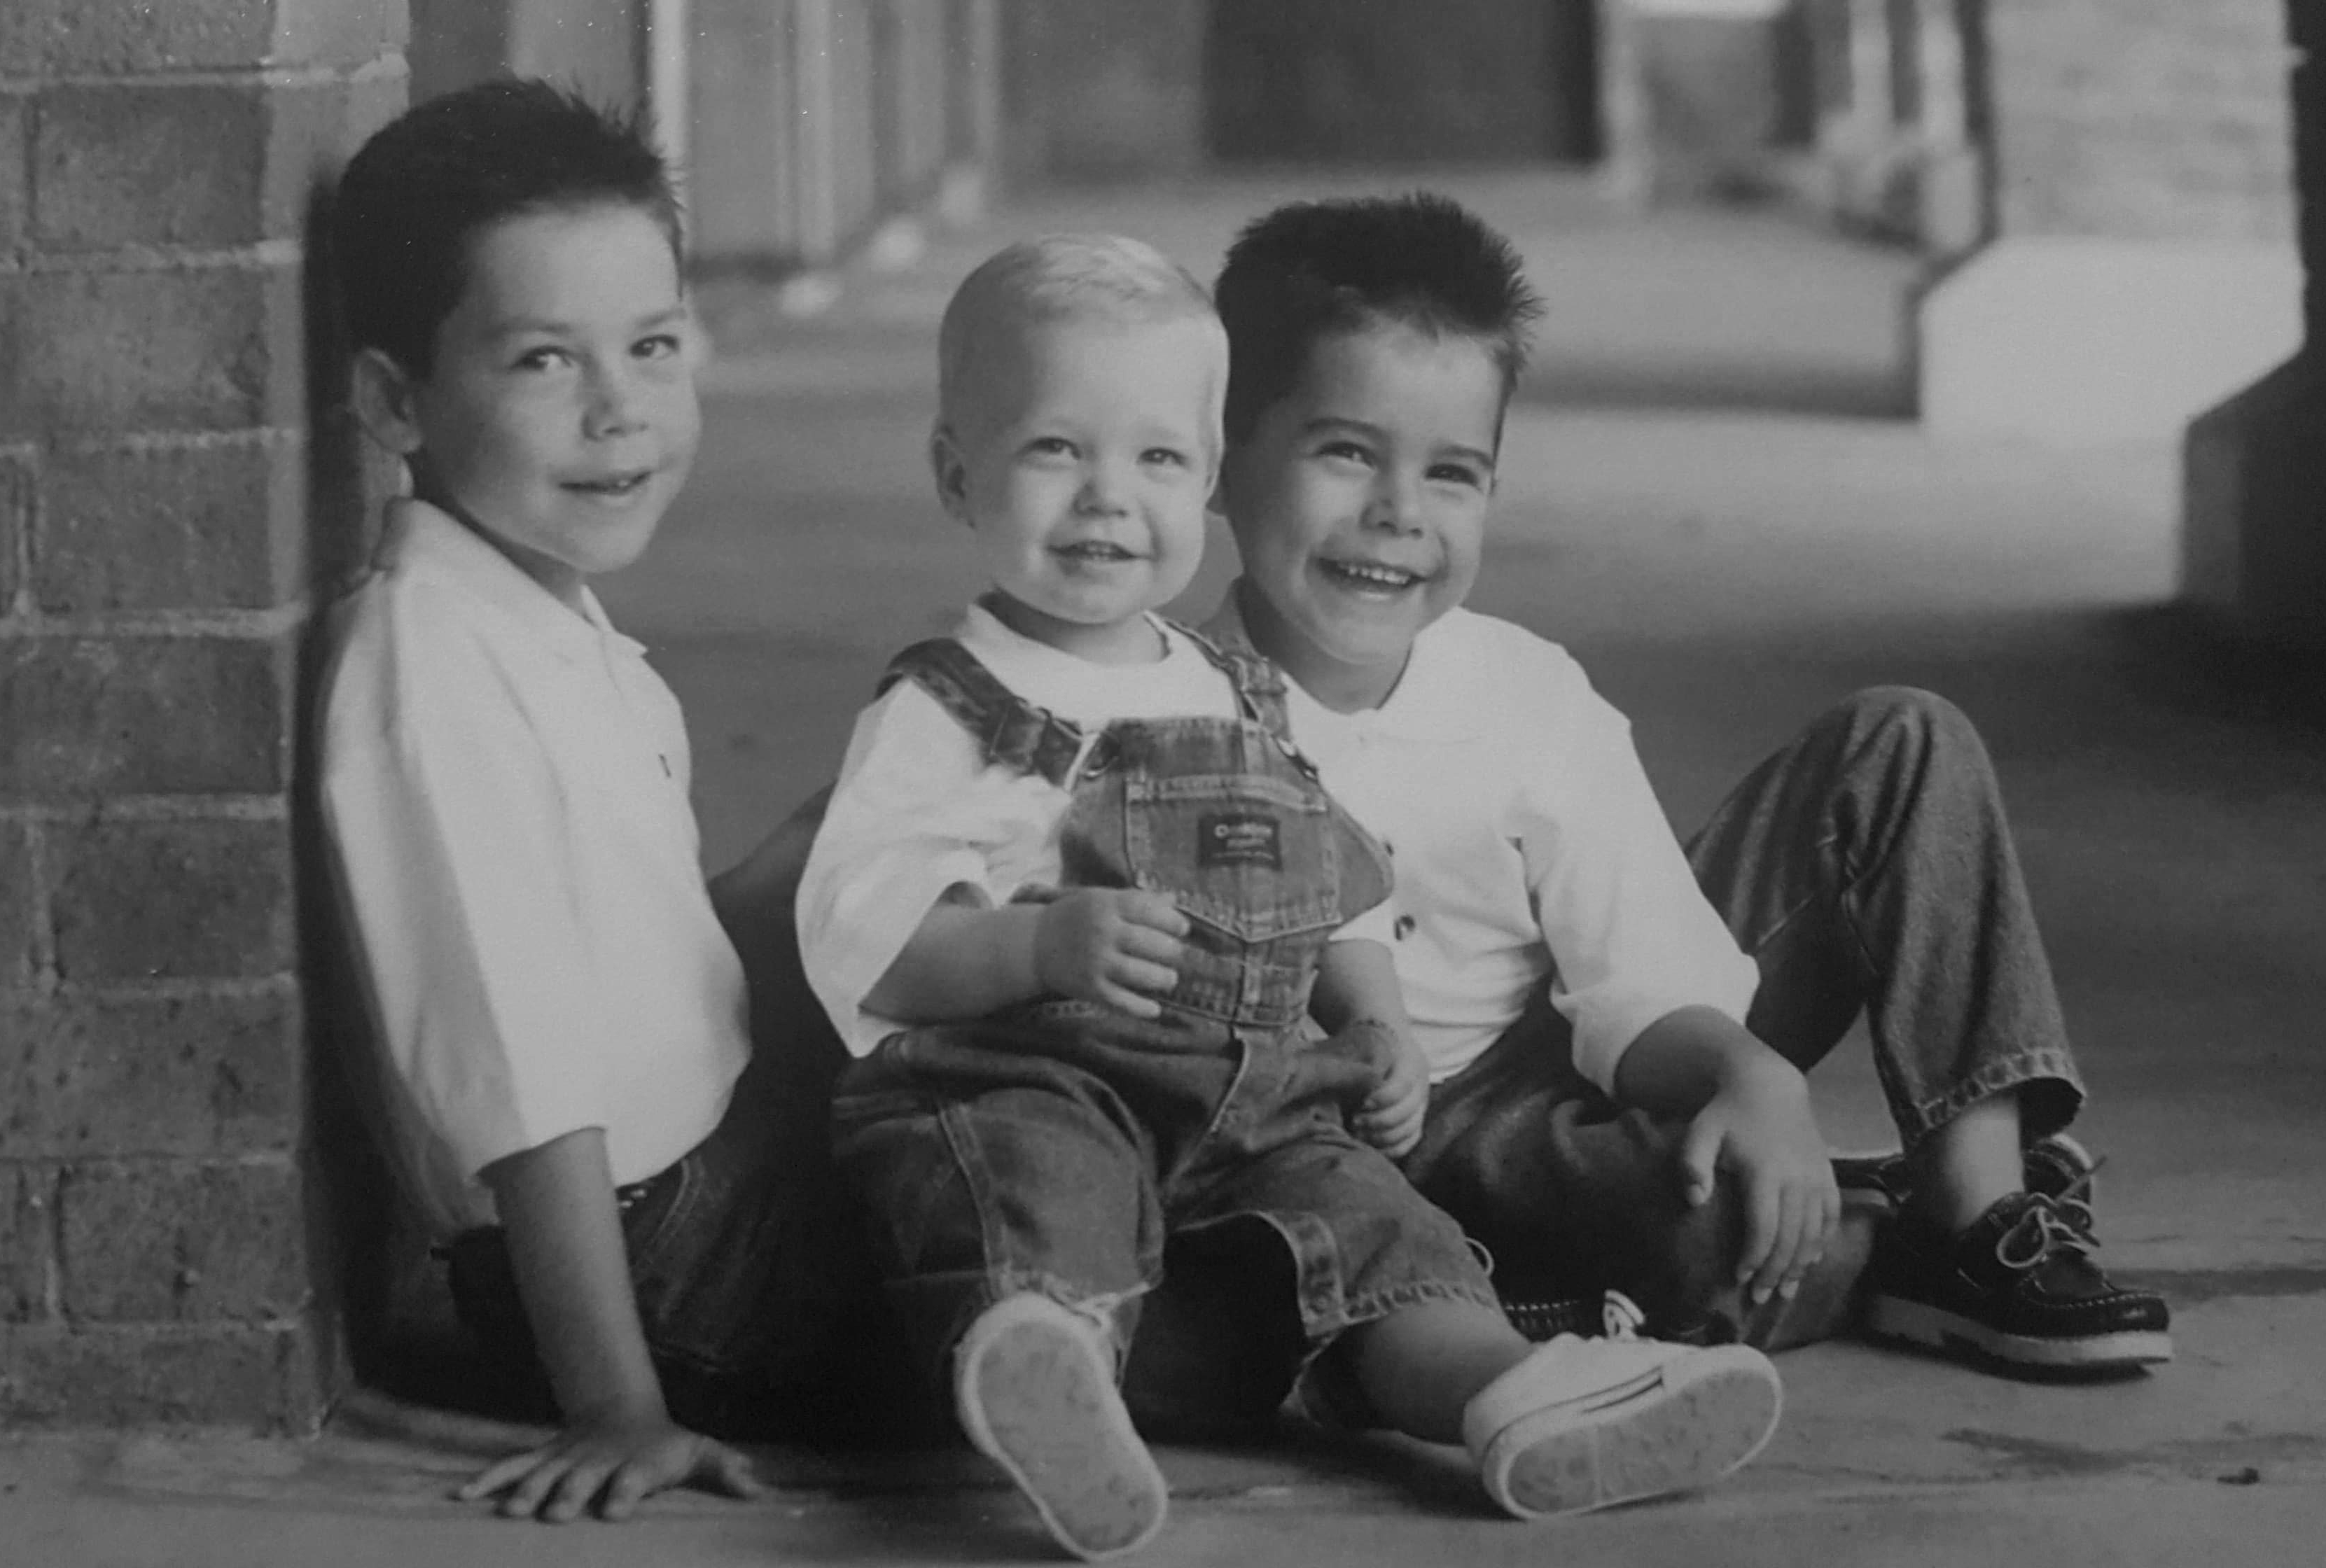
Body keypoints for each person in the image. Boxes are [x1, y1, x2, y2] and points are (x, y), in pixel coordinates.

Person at [795, 233, 1784, 1560]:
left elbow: (1329, 882)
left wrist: (1372, 1021)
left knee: (1374, 1225)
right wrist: (1036, 944)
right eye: (1053, 452)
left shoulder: (1228, 687)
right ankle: (1058, 1382)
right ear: (954, 472)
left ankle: (1509, 1395)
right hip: (1034, 1071)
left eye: (1152, 458)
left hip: (1252, 1087)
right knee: (1038, 1189)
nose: (1106, 500)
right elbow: (862, 934)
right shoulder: (951, 701)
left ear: (1205, 478)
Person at [1198, 191, 2173, 1377]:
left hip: (1581, 1049)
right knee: (1740, 1239)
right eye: (1345, 451)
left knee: (1904, 742)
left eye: (1453, 473)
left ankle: (1976, 1219)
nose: (1400, 514)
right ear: (1216, 456)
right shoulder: (1165, 724)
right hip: (1398, 1146)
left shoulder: (1525, 688)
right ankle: (1841, 1226)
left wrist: (1749, 1073)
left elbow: (1635, 971)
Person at [316, 79, 897, 1526]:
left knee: (970, 901)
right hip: (659, 1268)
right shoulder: (431, 673)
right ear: (397, 401)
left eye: (650, 345)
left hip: (701, 1182)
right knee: (1155, 1263)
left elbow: (640, 967)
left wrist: (858, 833)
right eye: (541, 362)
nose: (619, 409)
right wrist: (621, 1406)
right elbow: (522, 1077)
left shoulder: (533, 613)